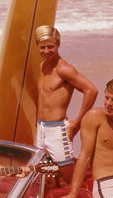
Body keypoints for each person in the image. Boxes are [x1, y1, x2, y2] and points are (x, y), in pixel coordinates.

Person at [35, 25, 99, 188]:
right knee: (47, 178)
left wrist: (77, 122)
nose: (46, 51)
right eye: (42, 47)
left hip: (58, 131)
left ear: (58, 44)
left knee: (65, 181)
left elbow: (91, 90)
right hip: (41, 129)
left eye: (50, 46)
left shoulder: (64, 69)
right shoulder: (42, 66)